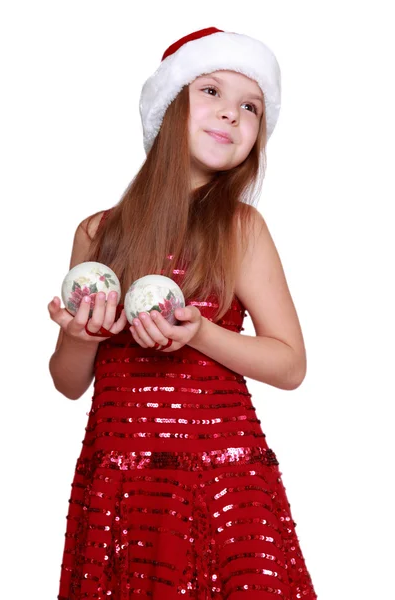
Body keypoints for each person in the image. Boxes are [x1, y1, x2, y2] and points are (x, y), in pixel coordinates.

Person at [49, 26, 317, 600]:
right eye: (212, 92)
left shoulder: (241, 230)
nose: (231, 115)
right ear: (170, 107)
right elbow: (70, 383)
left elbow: (290, 364)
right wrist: (79, 335)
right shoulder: (98, 234)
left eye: (251, 107)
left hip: (223, 481)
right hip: (123, 486)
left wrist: (199, 335)